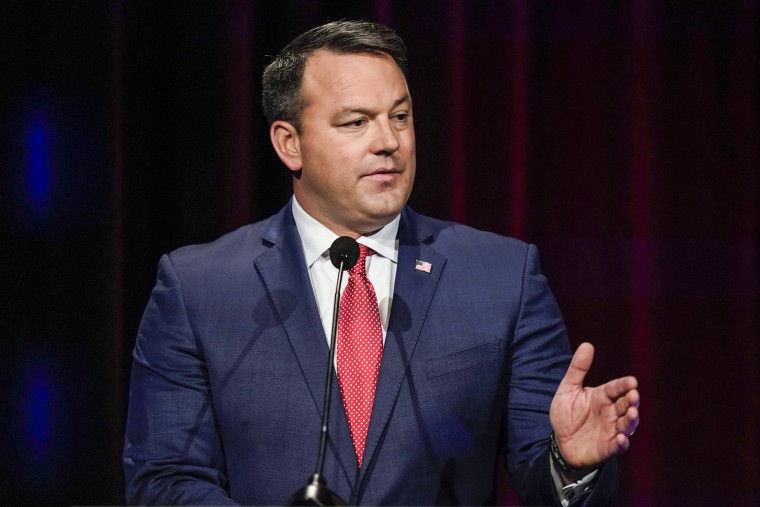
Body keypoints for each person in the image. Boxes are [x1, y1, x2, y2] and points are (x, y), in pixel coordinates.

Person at [123, 20, 639, 506]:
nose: (389, 142)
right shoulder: (198, 288)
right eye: (356, 122)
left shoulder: (503, 277)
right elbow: (164, 479)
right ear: (289, 144)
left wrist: (569, 463)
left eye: (400, 116)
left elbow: (540, 474)